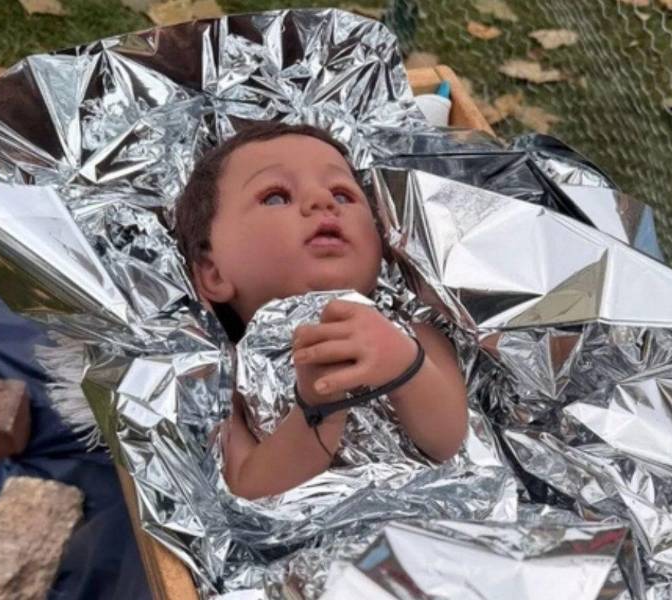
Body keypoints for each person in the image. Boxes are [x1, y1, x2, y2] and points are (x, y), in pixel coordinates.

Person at [173, 122, 468, 500]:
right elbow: (248, 485)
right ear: (212, 273)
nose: (322, 201)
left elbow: (447, 441)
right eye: (277, 197)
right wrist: (319, 410)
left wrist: (403, 365)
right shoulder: (222, 372)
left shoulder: (415, 335)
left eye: (344, 195)